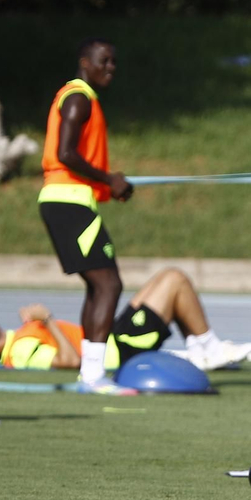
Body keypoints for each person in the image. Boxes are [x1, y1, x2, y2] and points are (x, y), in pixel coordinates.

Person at [37, 38, 150, 395]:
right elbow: (65, 153)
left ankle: (90, 372)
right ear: (85, 62)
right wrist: (108, 179)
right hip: (68, 201)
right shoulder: (78, 97)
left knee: (98, 285)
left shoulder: (83, 98)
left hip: (73, 200)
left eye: (114, 62)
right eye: (104, 61)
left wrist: (110, 185)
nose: (110, 68)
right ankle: (93, 374)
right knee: (108, 284)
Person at [0, 267, 251, 371]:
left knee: (165, 277)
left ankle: (202, 349)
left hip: (110, 338)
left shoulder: (19, 339)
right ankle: (208, 348)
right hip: (117, 350)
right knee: (174, 280)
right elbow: (69, 361)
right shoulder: (21, 352)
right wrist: (47, 317)